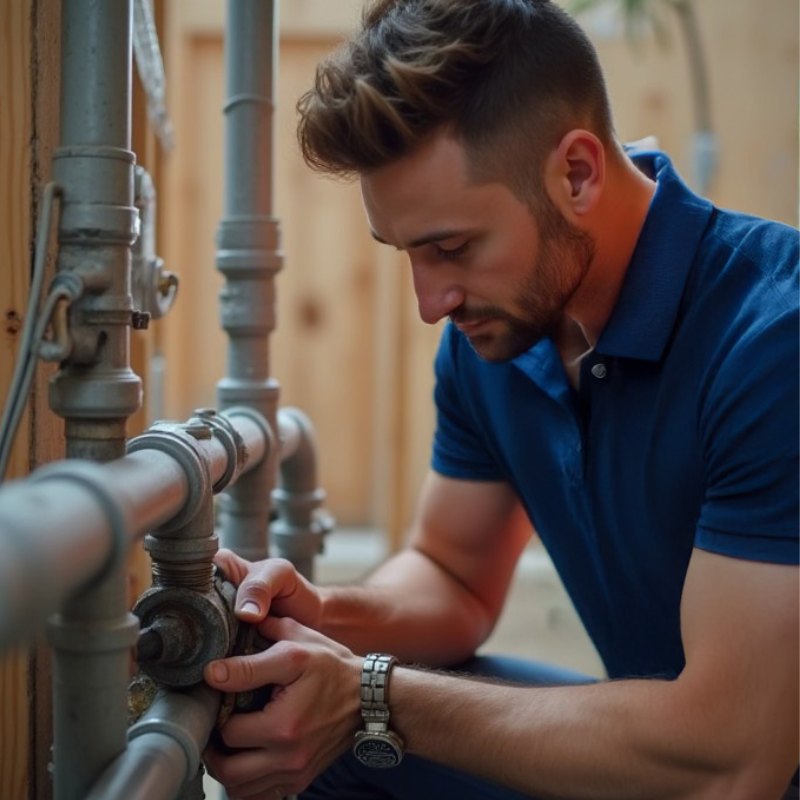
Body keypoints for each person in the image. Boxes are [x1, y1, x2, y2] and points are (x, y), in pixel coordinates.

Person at [201, 1, 799, 798]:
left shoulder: (772, 338)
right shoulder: (499, 334)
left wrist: (371, 695)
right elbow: (453, 575)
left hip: (742, 766)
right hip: (680, 755)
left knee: (363, 718)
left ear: (576, 173)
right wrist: (320, 615)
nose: (431, 301)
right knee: (313, 740)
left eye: (452, 247)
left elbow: (733, 759)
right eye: (407, 253)